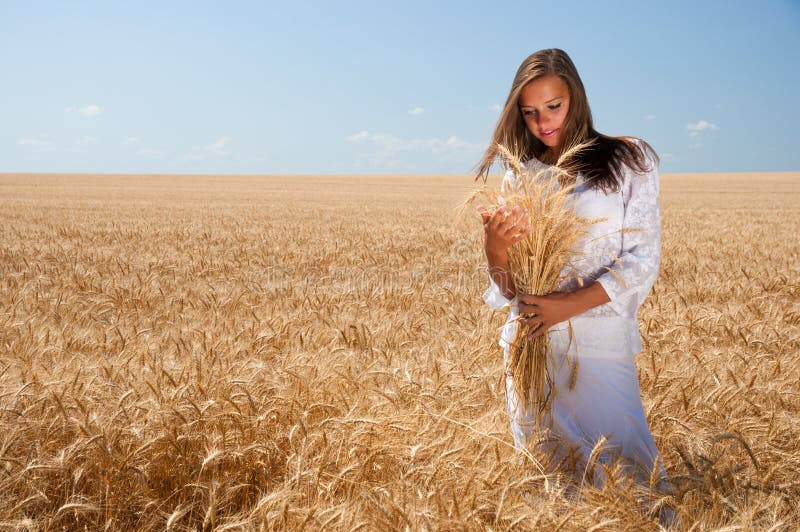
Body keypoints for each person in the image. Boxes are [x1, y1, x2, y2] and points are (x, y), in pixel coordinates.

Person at [474, 49, 671, 500]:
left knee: (633, 483)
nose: (543, 122)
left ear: (576, 98)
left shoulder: (630, 159)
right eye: (530, 113)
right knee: (549, 489)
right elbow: (512, 290)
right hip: (531, 348)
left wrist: (567, 306)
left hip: (600, 346)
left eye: (554, 106)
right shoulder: (522, 177)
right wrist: (494, 248)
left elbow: (642, 259)